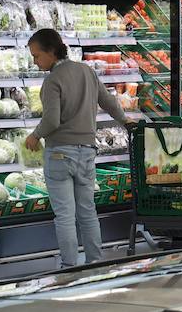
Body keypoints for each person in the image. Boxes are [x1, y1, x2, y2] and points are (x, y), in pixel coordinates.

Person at [25, 28, 135, 268]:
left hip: (60, 154)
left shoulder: (53, 80)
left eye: (37, 56)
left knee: (65, 215)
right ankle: (96, 262)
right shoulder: (86, 71)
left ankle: (70, 266)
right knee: (87, 212)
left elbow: (52, 120)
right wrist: (124, 121)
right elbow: (107, 100)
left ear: (52, 52)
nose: (35, 62)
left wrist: (34, 136)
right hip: (86, 151)